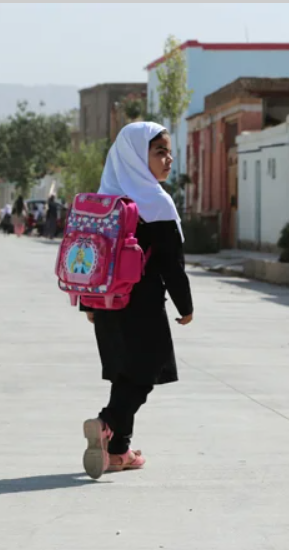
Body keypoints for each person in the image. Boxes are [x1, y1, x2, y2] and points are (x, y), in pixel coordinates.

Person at [79, 122, 193, 480]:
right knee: (147, 371)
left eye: (169, 151)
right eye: (159, 152)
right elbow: (172, 265)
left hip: (106, 304)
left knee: (124, 374)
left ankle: (117, 452)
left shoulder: (106, 196)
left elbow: (89, 257)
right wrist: (185, 306)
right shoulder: (154, 202)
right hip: (142, 305)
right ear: (135, 156)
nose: (169, 159)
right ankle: (106, 423)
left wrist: (89, 305)